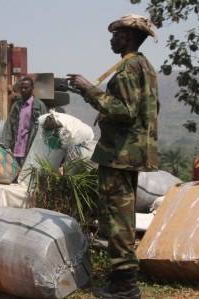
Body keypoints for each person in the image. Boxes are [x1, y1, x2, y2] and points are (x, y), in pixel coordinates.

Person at [68, 14, 158, 299]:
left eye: (115, 34)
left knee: (118, 220)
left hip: (120, 154)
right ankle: (121, 279)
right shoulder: (139, 65)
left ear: (128, 37)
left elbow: (124, 110)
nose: (111, 39)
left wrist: (88, 89)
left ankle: (124, 286)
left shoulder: (131, 67)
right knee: (122, 219)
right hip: (126, 153)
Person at [2, 77, 47, 166]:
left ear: (32, 88)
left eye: (26, 88)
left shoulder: (39, 106)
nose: (23, 90)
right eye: (21, 88)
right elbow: (9, 127)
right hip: (15, 151)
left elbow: (44, 130)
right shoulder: (16, 106)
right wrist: (5, 147)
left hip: (31, 152)